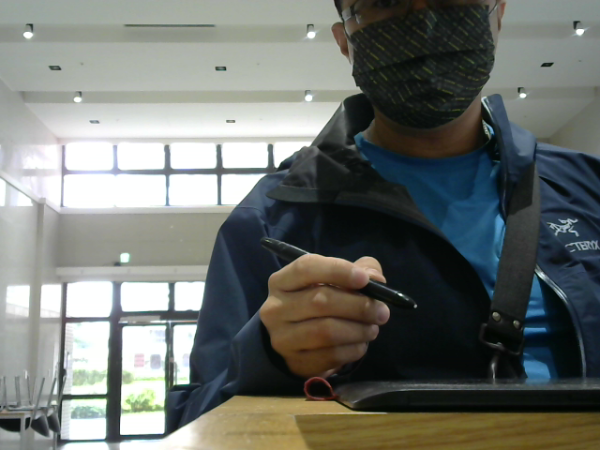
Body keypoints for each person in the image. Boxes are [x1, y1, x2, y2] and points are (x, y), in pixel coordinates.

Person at [171, 0, 600, 429]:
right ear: (345, 41)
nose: (425, 24)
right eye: (383, 2)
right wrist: (269, 356)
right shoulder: (271, 216)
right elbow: (193, 421)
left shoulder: (587, 186)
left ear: (498, 15)